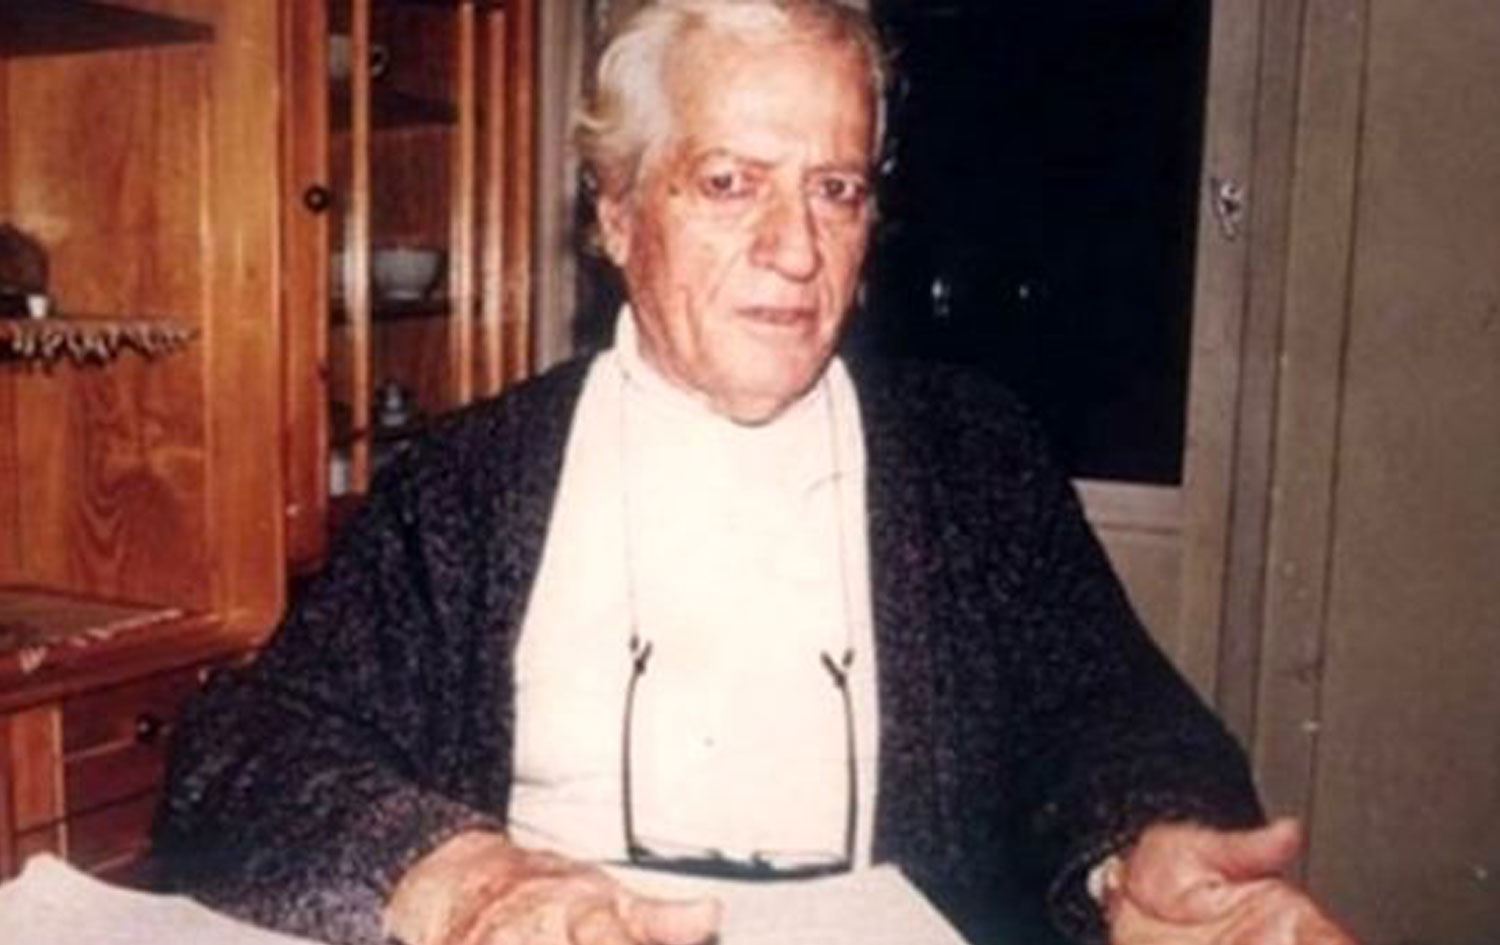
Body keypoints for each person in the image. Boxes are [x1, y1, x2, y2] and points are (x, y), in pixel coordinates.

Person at [154, 3, 1356, 945]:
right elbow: (244, 757)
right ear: (617, 214)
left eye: (835, 190)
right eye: (730, 182)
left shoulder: (973, 457)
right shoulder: (469, 484)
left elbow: (1111, 715)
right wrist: (463, 881)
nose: (795, 249)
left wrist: (1136, 847)